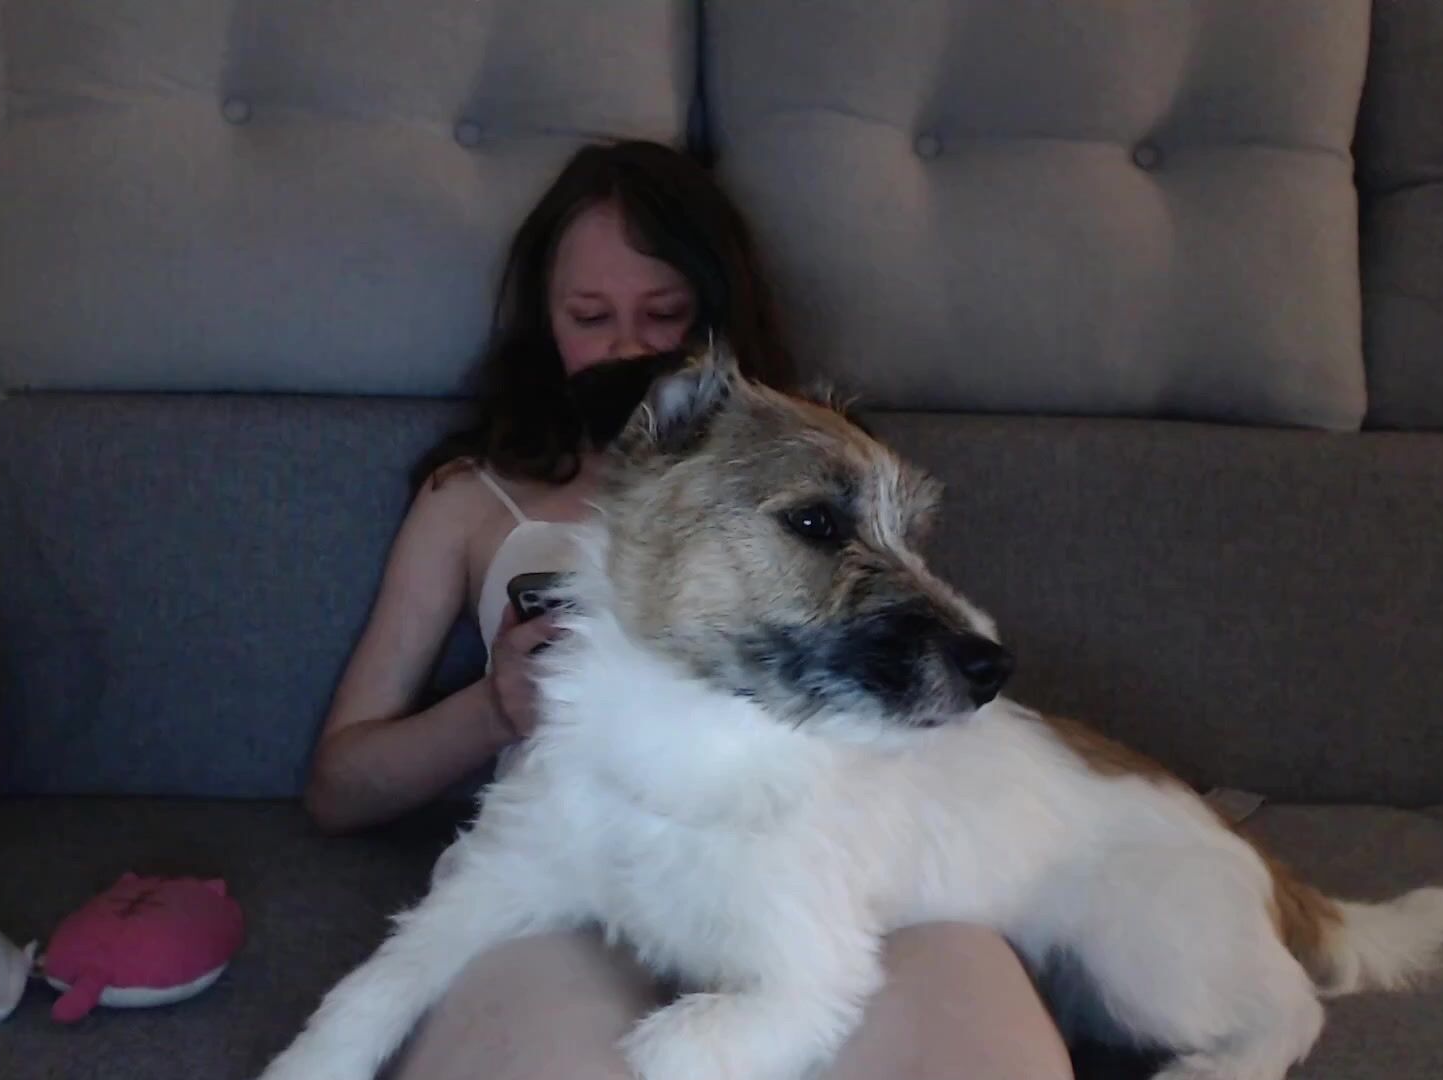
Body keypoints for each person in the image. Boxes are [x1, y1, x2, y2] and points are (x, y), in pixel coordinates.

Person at [302, 139, 1074, 1080]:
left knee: (973, 1037)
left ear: (715, 315)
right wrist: (491, 708)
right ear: (543, 323)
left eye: (664, 315)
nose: (628, 349)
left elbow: (880, 661)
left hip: (811, 869)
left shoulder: (821, 469)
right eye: (590, 316)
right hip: (568, 866)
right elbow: (339, 787)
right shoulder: (471, 497)